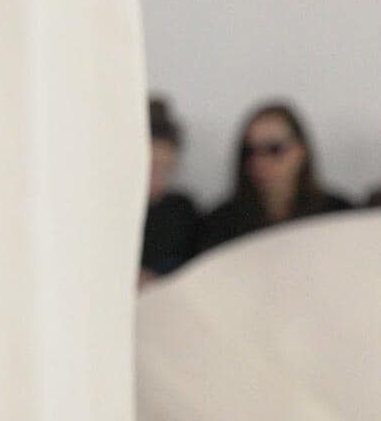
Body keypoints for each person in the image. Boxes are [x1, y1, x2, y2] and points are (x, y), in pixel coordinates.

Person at [196, 99, 353, 253]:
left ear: (301, 151)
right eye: (250, 151)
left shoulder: (339, 214)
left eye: (274, 149)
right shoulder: (220, 223)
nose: (260, 161)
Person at [140, 94, 201, 281]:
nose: (158, 179)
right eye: (151, 168)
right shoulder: (112, 210)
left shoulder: (181, 209)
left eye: (166, 169)